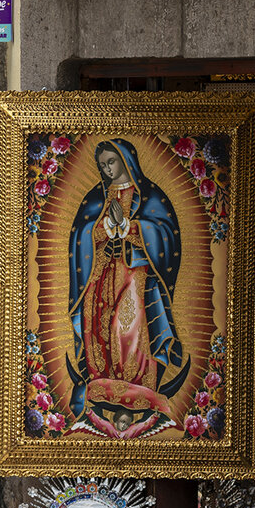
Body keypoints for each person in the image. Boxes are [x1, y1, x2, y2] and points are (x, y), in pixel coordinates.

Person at [68, 137, 187, 439]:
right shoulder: (98, 197)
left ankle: (138, 385)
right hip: (102, 273)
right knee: (98, 325)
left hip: (134, 273)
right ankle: (101, 382)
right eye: (103, 165)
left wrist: (133, 228)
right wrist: (102, 230)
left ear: (127, 161)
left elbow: (164, 233)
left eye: (112, 162)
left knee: (128, 327)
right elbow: (82, 233)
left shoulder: (150, 196)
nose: (108, 169)